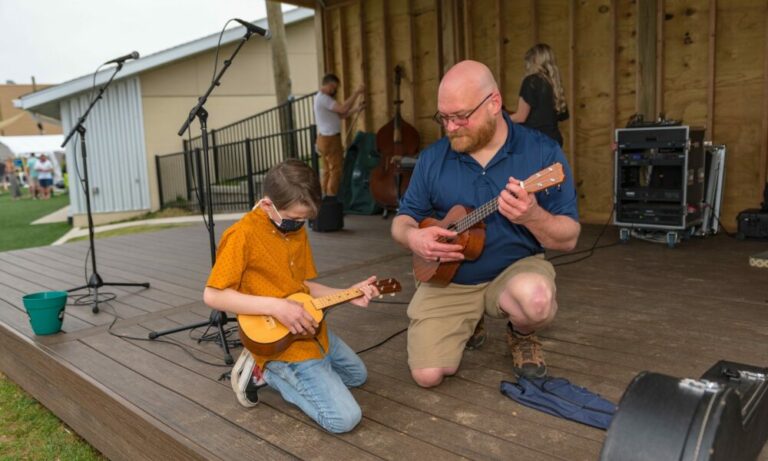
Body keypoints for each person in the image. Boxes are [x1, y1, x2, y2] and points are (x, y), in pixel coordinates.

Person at [391, 60, 580, 388]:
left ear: (494, 103)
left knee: (535, 300)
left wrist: (532, 216)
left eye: (460, 116)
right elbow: (402, 219)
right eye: (443, 117)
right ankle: (470, 319)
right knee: (427, 376)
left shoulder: (541, 152)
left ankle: (521, 333)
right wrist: (413, 238)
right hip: (450, 278)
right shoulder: (433, 158)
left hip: (514, 270)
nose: (450, 127)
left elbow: (569, 238)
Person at [203, 159, 380, 433]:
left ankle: (311, 372)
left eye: (304, 220)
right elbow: (213, 295)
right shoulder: (241, 236)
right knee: (344, 419)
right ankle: (266, 371)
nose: (299, 225)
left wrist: (347, 294)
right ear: (267, 205)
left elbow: (303, 285)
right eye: (294, 219)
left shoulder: (293, 228)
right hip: (279, 342)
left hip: (308, 329)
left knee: (357, 376)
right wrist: (275, 307)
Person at [313, 73, 365, 198]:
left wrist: (357, 109)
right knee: (336, 169)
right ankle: (332, 197)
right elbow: (342, 109)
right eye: (334, 87)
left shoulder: (320, 98)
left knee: (327, 170)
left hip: (323, 138)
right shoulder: (324, 99)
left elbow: (341, 115)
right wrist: (357, 92)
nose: (334, 91)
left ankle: (324, 196)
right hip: (330, 139)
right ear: (328, 84)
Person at [509, 44, 569, 147]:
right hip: (554, 141)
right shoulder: (554, 84)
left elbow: (520, 117)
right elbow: (562, 115)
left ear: (533, 61)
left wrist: (501, 120)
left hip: (536, 141)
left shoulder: (531, 81)